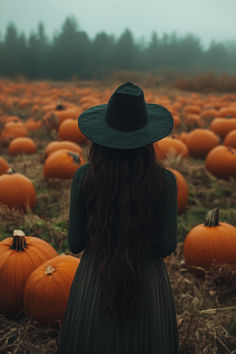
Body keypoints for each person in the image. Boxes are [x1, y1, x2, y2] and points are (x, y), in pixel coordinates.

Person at [58, 82, 178, 354]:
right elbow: (166, 247)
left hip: (94, 285)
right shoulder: (166, 182)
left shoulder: (84, 177)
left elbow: (75, 243)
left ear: (102, 137)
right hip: (147, 287)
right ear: (148, 138)